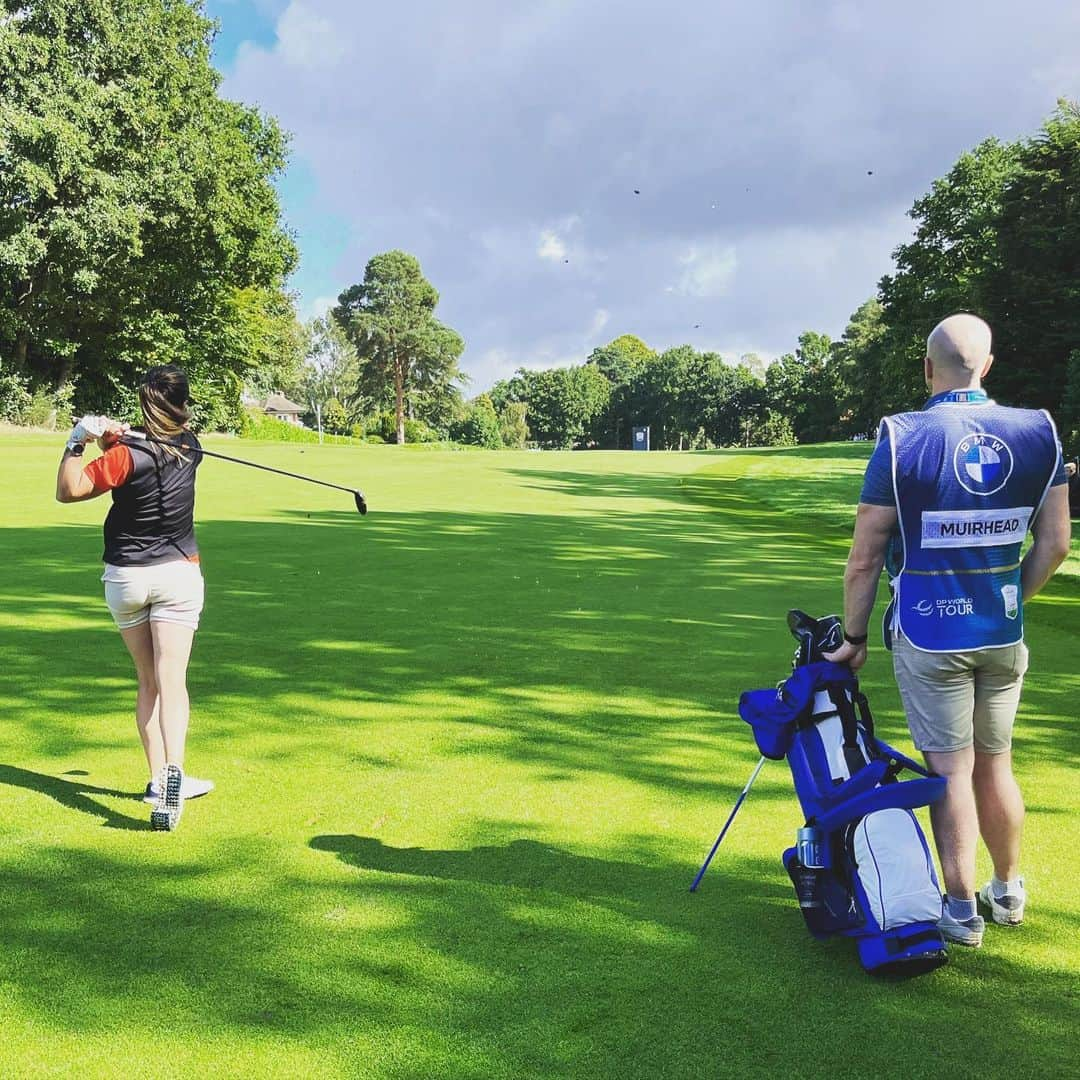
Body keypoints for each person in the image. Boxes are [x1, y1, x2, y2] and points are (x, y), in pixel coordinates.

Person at [824, 314, 1072, 947]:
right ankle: (1008, 889)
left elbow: (865, 555)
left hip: (931, 632)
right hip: (1001, 630)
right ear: (986, 366)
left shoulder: (903, 438)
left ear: (928, 368)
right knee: (996, 764)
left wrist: (853, 638)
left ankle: (960, 910)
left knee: (952, 772)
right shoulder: (1039, 433)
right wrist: (1012, 595)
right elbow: (1056, 544)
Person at [55, 365, 213, 831]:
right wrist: (115, 442)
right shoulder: (194, 448)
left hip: (127, 579)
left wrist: (77, 440)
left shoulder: (125, 456)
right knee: (173, 682)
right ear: (183, 404)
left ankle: (155, 778)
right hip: (178, 575)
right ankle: (174, 775)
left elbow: (69, 490)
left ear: (145, 402)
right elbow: (156, 447)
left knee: (148, 683)